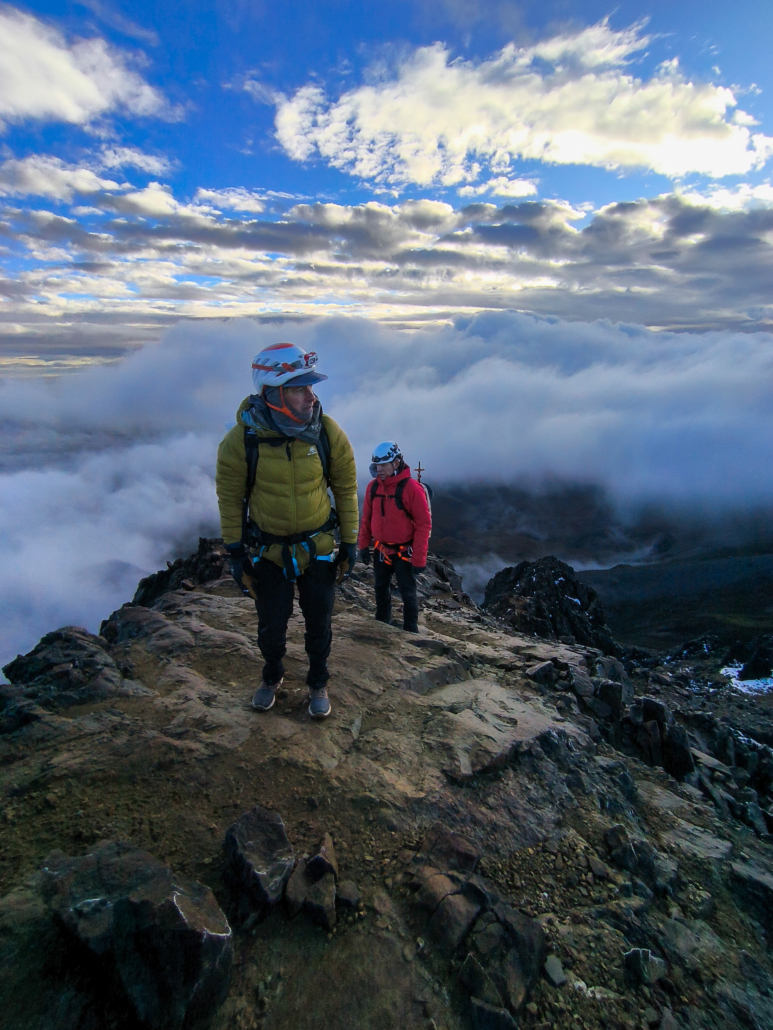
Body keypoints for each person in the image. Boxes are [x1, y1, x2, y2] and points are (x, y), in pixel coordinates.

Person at [216, 343, 358, 719]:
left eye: (310, 387)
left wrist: (350, 543)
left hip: (318, 547)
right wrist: (235, 552)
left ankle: (318, 681)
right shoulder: (242, 441)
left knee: (319, 622)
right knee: (271, 625)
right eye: (299, 388)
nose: (311, 395)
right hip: (270, 551)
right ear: (273, 394)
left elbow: (345, 488)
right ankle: (271, 675)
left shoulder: (327, 432)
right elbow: (231, 498)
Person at [357, 441, 432, 633]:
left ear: (396, 463)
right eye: (377, 465)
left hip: (404, 551)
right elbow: (366, 518)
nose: (379, 469)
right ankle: (381, 625)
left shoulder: (411, 489)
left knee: (408, 592)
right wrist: (363, 546)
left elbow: (424, 524)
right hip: (381, 549)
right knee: (381, 588)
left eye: (384, 465)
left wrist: (419, 558)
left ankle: (411, 632)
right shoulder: (373, 487)